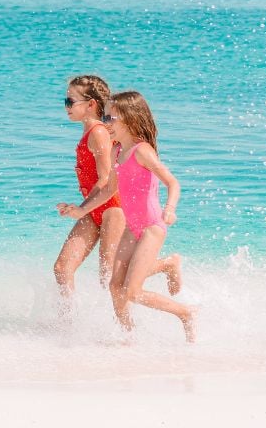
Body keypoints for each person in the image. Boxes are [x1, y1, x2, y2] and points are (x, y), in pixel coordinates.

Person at [59, 91, 196, 342]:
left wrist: (170, 208)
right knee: (115, 286)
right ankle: (128, 336)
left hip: (151, 228)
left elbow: (172, 182)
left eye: (111, 119)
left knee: (132, 291)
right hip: (132, 228)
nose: (106, 123)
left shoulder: (142, 151)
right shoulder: (117, 152)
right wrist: (81, 210)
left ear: (130, 119)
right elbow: (109, 190)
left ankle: (185, 312)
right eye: (106, 118)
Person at [54, 77, 180, 304]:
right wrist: (81, 210)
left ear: (90, 104)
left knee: (110, 277)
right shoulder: (91, 133)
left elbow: (105, 181)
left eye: (70, 101)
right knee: (62, 268)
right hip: (94, 209)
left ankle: (166, 265)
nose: (66, 107)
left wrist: (81, 209)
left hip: (112, 209)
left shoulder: (100, 133)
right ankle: (68, 324)